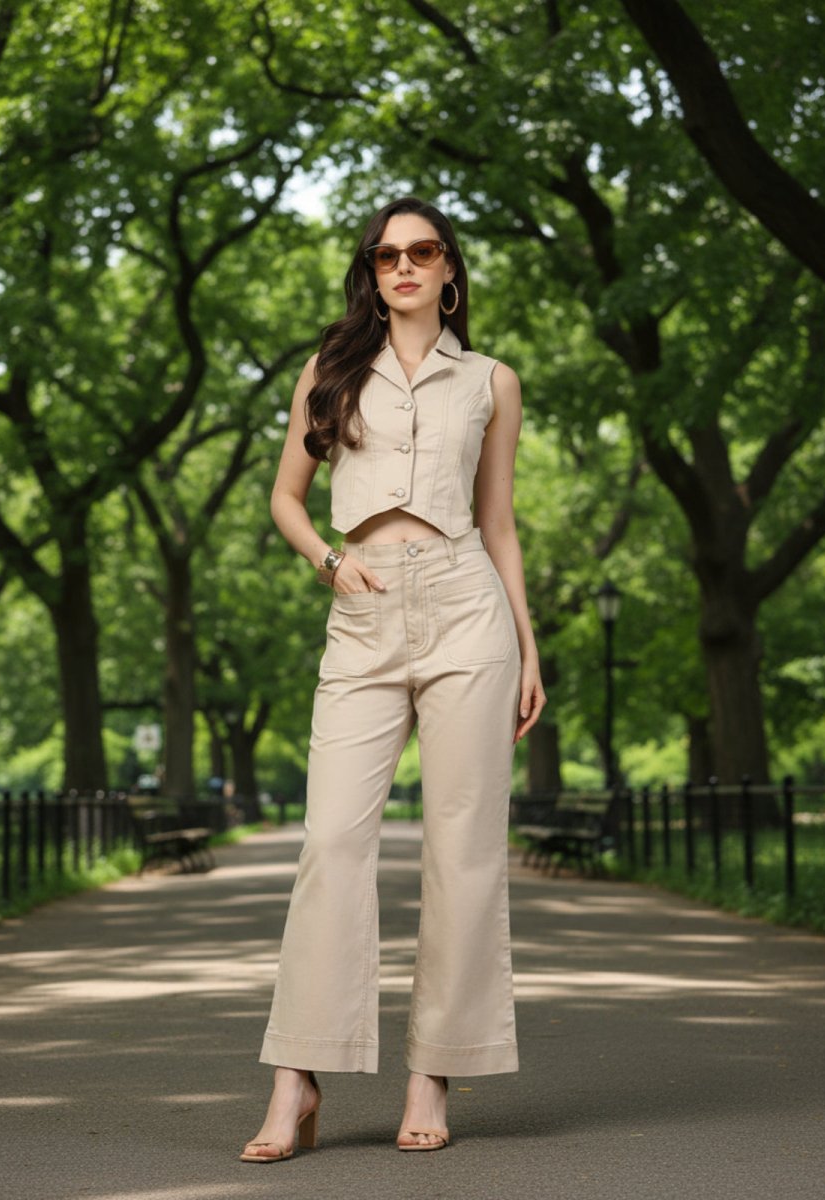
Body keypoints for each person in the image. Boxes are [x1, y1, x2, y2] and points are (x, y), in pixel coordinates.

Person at [240, 197, 545, 1162]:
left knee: (462, 854)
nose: (402, 267)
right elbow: (288, 500)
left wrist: (530, 649)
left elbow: (498, 523)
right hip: (362, 606)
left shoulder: (492, 380)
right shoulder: (330, 371)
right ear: (370, 272)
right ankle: (298, 1078)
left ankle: (433, 1073)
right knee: (330, 840)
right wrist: (331, 564)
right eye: (384, 256)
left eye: (420, 253)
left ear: (449, 269)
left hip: (466, 606)